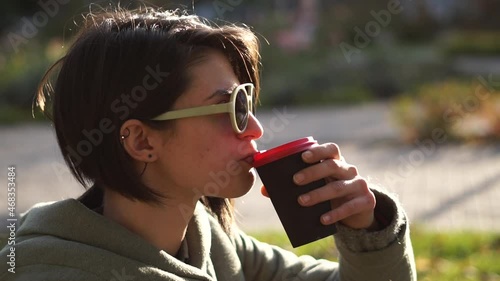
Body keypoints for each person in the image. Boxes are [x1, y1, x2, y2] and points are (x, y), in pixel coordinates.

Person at [0, 6, 416, 281]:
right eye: (230, 106)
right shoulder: (50, 271)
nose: (253, 127)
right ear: (142, 140)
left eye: (247, 99)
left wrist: (368, 230)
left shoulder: (209, 240)